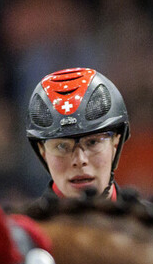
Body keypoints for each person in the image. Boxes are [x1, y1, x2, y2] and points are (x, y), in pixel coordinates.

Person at [26, 67, 130, 201]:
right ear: (42, 151)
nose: (79, 160)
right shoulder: (21, 222)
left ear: (115, 144)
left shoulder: (150, 221)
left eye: (92, 142)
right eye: (62, 146)